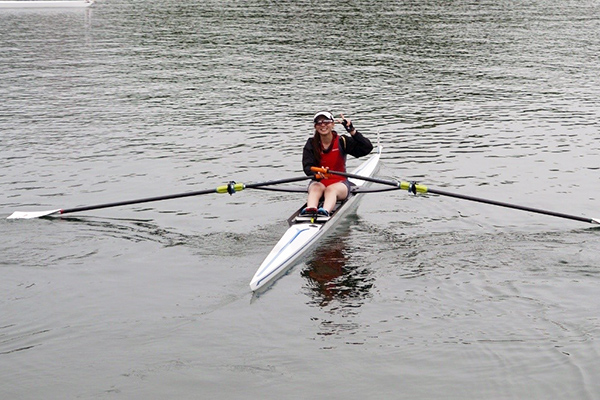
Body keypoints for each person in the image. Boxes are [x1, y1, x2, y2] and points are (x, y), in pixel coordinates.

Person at [301, 111, 373, 217]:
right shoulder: (311, 143)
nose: (323, 125)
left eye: (326, 121)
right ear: (315, 126)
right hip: (319, 181)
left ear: (333, 124)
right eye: (319, 122)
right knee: (315, 187)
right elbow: (307, 167)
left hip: (340, 183)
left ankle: (324, 212)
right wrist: (316, 173)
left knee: (331, 190)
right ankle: (310, 209)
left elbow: (367, 148)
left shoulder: (342, 141)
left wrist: (352, 132)